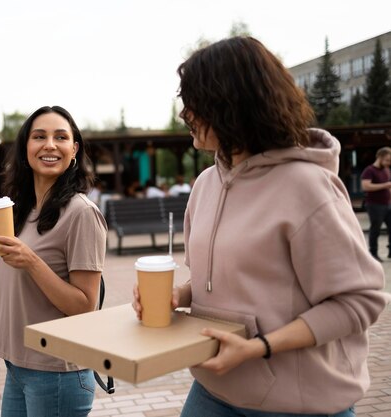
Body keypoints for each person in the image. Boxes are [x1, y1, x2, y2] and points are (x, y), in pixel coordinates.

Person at [133, 37, 390, 416]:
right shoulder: (206, 184)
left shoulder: (308, 186)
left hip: (299, 404)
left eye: (195, 103)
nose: (185, 114)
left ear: (231, 105)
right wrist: (178, 295)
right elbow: (219, 280)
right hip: (211, 389)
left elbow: (359, 301)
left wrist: (260, 347)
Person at [0, 105, 107, 416]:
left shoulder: (81, 214)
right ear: (25, 149)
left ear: (73, 149)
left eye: (61, 137)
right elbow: (7, 292)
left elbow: (85, 306)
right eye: (39, 136)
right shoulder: (20, 212)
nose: (50, 144)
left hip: (57, 373)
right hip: (17, 366)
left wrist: (32, 261)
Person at [360, 147, 391, 261]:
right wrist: (385, 185)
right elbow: (365, 186)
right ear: (380, 157)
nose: (389, 163)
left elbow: (389, 186)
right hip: (374, 205)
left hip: (387, 204)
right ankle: (373, 253)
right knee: (375, 229)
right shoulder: (369, 170)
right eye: (387, 160)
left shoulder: (386, 170)